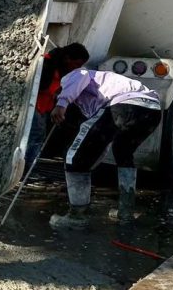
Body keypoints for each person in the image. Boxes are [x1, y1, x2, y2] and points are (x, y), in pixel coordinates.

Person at [47, 65, 162, 230]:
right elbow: (102, 141)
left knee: (75, 157)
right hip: (152, 110)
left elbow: (82, 74)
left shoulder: (71, 78)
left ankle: (77, 216)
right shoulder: (95, 94)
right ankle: (126, 212)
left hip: (125, 104)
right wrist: (91, 162)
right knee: (123, 152)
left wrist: (61, 103)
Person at [26, 42, 89, 165]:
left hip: (44, 106)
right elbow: (40, 85)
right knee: (36, 135)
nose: (77, 68)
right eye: (76, 64)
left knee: (39, 135)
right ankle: (27, 166)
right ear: (67, 58)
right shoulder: (47, 63)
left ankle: (29, 164)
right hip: (34, 104)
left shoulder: (62, 68)